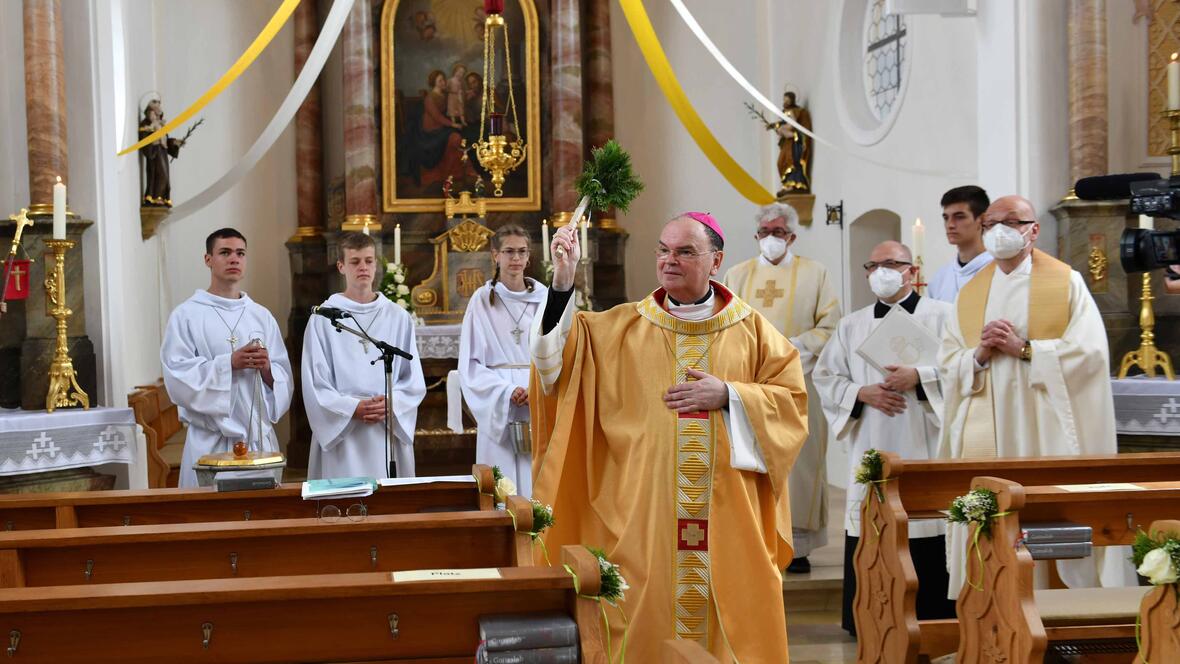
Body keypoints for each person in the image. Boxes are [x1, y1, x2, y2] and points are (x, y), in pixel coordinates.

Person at [529, 212, 808, 661]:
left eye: (684, 251)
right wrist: (563, 281)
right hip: (644, 514)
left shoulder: (753, 330)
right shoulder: (620, 327)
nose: (669, 260)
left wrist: (731, 395)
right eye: (663, 249)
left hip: (728, 516)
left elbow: (792, 403)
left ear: (715, 261)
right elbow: (554, 361)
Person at [938, 195, 1133, 593]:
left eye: (1011, 222)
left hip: (1045, 428)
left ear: (1033, 229)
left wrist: (1025, 349)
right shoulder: (971, 292)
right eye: (991, 223)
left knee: (1048, 515)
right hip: (989, 427)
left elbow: (1091, 353)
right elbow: (947, 361)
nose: (999, 231)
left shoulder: (1065, 282)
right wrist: (977, 355)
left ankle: (1061, 618)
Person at [813, 241, 955, 635]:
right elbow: (826, 377)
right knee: (873, 522)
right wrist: (861, 393)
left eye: (891, 264)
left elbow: (965, 372)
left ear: (912, 271)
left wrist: (920, 377)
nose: (881, 271)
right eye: (873, 265)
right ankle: (870, 619)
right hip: (872, 438)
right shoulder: (851, 324)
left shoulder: (943, 316)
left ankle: (931, 617)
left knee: (926, 525)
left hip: (925, 436)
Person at [723, 201, 840, 573]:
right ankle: (753, 537)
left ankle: (799, 547)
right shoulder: (737, 275)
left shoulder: (815, 274)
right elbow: (722, 324)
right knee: (751, 456)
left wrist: (788, 350)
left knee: (799, 462)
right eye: (764, 233)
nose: (770, 239)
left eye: (778, 232)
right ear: (756, 236)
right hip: (748, 383)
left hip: (798, 382)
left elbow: (830, 326)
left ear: (791, 236)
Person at [161, 228, 293, 488]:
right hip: (210, 442)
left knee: (262, 521)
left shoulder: (261, 316)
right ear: (208, 259)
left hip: (258, 443)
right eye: (225, 252)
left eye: (240, 253)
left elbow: (283, 376)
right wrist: (229, 364)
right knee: (212, 522)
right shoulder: (186, 315)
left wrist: (267, 369)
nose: (234, 259)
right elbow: (177, 377)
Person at [301, 232, 426, 479]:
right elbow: (314, 382)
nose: (363, 267)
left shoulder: (397, 316)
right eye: (355, 261)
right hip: (344, 430)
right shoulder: (323, 319)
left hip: (385, 423)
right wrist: (352, 408)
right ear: (341, 266)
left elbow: (412, 378)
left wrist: (393, 402)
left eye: (369, 261)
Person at [458, 225, 547, 496]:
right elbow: (470, 364)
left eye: (521, 252)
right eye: (509, 252)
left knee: (539, 480)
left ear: (529, 257)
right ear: (495, 255)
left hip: (537, 395)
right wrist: (507, 391)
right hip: (499, 400)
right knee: (502, 480)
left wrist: (537, 388)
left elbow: (557, 352)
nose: (516, 259)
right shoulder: (482, 300)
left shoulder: (544, 299)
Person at [927, 185, 993, 303]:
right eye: (946, 218)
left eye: (959, 217)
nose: (950, 225)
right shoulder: (940, 278)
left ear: (983, 219)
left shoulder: (998, 271)